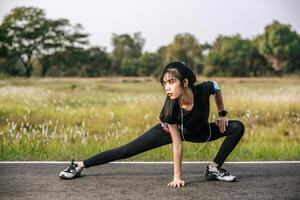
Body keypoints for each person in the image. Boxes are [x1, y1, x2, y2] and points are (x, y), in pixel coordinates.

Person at [59, 61, 245, 187]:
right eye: (164, 83)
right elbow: (177, 145)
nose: (167, 88)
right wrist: (177, 177)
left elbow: (216, 86)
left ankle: (213, 168)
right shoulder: (170, 110)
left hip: (199, 130)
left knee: (237, 127)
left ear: (185, 82)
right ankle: (79, 165)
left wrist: (222, 114)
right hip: (170, 132)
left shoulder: (204, 89)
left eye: (171, 82)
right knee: (125, 151)